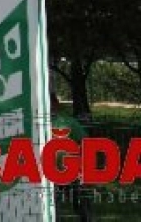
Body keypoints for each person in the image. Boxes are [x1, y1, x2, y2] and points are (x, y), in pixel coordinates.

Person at [51, 92, 93, 221]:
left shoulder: (67, 121)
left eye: (51, 103)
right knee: (52, 202)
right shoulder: (36, 122)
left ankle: (86, 217)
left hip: (69, 169)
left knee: (79, 200)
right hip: (47, 170)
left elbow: (85, 142)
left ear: (56, 104)